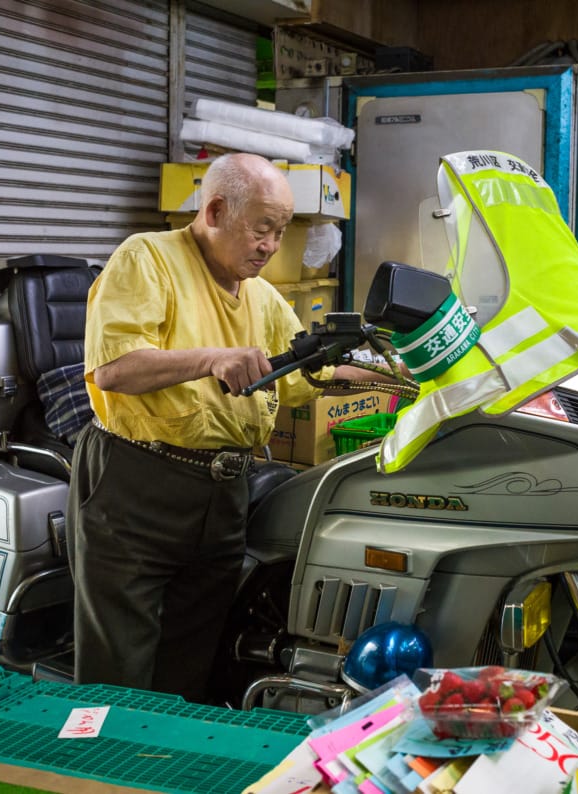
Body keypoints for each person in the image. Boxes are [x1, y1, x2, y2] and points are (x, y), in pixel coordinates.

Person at [66, 152, 372, 701]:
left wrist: (394, 374)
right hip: (137, 482)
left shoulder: (263, 296)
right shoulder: (147, 259)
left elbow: (307, 374)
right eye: (263, 229)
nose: (272, 246)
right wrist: (211, 359)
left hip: (225, 490)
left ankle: (169, 773)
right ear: (214, 210)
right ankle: (105, 777)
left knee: (192, 657)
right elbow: (114, 368)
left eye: (280, 232)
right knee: (121, 662)